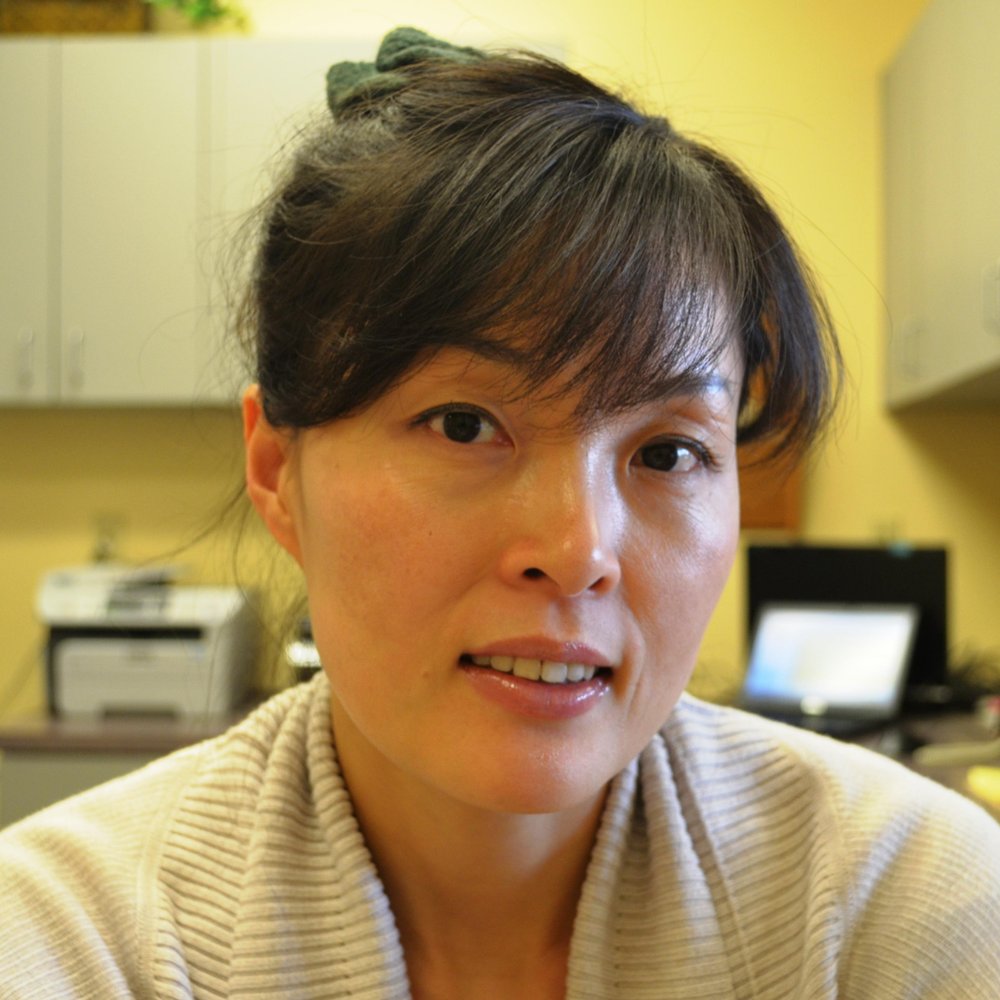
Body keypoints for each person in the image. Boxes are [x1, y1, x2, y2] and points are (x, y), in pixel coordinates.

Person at [1, 26, 998, 1000]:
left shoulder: (908, 903)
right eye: (464, 424)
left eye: (665, 451)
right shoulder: (72, 938)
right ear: (275, 469)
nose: (579, 550)